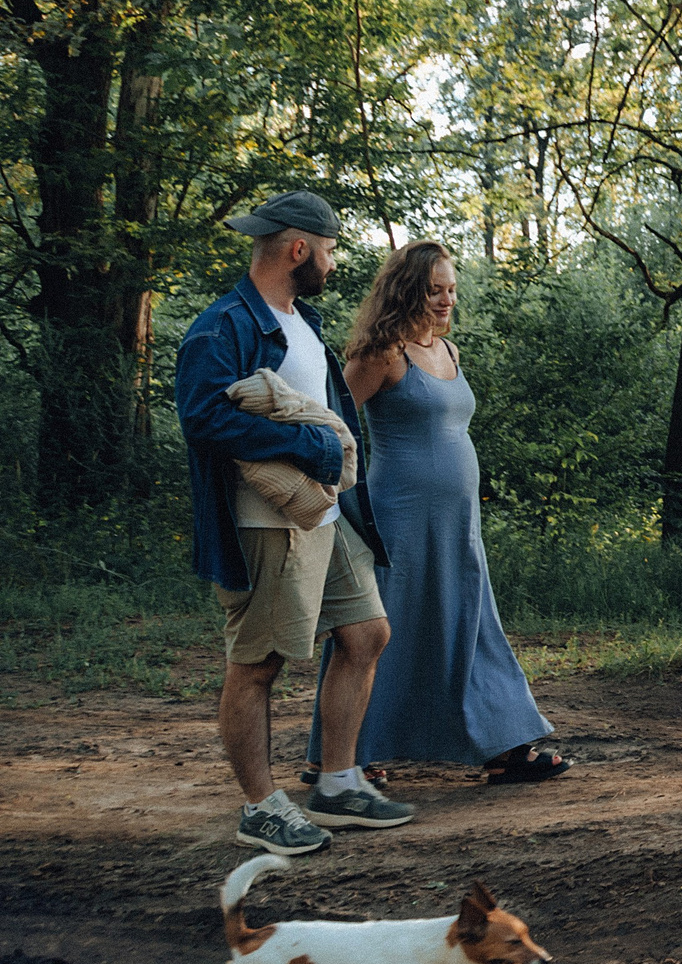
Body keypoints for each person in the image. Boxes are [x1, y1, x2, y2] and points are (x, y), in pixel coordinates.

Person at [175, 191, 417, 854]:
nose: (336, 263)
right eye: (332, 250)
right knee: (258, 661)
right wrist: (306, 449)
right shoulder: (222, 325)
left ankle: (338, 783)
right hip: (266, 520)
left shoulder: (299, 319)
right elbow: (202, 417)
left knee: (366, 632)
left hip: (326, 512)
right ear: (299, 248)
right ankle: (259, 806)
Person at [310, 240, 570, 784]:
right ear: (408, 291)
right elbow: (329, 426)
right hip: (399, 515)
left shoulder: (448, 353)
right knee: (381, 626)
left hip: (456, 521)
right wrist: (325, 498)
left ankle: (501, 743)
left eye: (451, 289)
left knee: (470, 620)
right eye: (435, 291)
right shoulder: (382, 354)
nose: (446, 300)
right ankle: (339, 756)